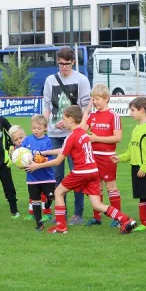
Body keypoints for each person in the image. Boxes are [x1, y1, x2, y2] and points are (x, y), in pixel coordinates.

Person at [27, 106, 137, 234]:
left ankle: (61, 227)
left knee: (58, 192)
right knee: (96, 204)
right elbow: (65, 150)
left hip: (80, 172)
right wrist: (45, 152)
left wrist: (37, 166)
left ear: (71, 119)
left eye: (64, 118)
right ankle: (125, 220)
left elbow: (58, 161)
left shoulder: (71, 137)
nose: (62, 121)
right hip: (93, 172)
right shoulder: (84, 133)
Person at [42, 47, 91, 225]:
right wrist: (44, 123)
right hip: (55, 134)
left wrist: (78, 126)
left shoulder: (81, 80)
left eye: (67, 64)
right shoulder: (50, 80)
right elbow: (47, 104)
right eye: (60, 64)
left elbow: (87, 107)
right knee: (57, 176)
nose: (63, 67)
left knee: (76, 174)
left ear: (73, 62)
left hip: (74, 134)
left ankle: (78, 214)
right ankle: (60, 211)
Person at [111, 97, 146, 233]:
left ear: (142, 111)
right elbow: (131, 149)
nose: (130, 113)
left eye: (133, 110)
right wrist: (120, 158)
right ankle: (145, 224)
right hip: (136, 168)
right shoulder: (136, 128)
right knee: (142, 197)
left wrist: (145, 168)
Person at [81, 84, 123, 227]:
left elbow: (117, 138)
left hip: (107, 157)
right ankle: (97, 217)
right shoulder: (92, 115)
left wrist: (97, 138)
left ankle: (118, 218)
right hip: (92, 157)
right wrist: (86, 112)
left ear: (106, 99)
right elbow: (80, 131)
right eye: (93, 99)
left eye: (97, 99)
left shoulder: (113, 116)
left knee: (111, 186)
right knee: (95, 187)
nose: (94, 102)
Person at [19, 115, 55, 230]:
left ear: (45, 128)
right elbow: (21, 154)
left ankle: (49, 203)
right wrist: (19, 162)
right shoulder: (27, 140)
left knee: (51, 196)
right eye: (34, 128)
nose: (36, 130)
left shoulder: (48, 141)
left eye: (39, 128)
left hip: (47, 177)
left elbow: (51, 159)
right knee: (35, 200)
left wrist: (39, 162)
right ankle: (39, 224)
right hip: (32, 177)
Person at [9, 124, 51, 222]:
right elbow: (20, 164)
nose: (19, 141)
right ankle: (32, 213)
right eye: (16, 140)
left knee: (43, 194)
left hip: (43, 174)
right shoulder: (18, 151)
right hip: (32, 176)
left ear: (25, 136)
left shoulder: (31, 143)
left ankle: (47, 213)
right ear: (13, 141)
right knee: (33, 194)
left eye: (21, 137)